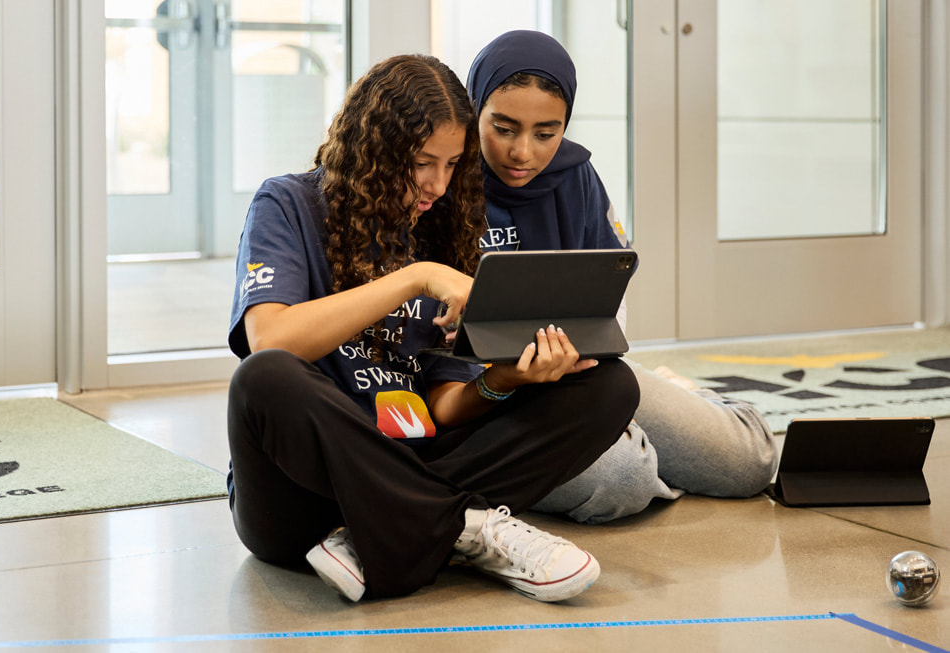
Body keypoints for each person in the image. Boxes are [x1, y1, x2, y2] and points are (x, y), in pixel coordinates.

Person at [226, 53, 641, 603]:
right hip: (304, 503)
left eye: (451, 165)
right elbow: (270, 339)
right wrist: (414, 279)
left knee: (609, 385)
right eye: (421, 163)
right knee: (266, 378)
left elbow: (440, 404)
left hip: (413, 457)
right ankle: (463, 527)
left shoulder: (441, 226)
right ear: (371, 147)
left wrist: (505, 380)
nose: (437, 186)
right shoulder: (287, 203)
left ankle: (399, 529)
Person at [467, 30, 779, 524]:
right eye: (503, 128)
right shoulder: (437, 176)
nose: (522, 152)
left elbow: (609, 295)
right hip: (484, 397)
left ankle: (678, 398)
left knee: (751, 463)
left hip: (584, 377)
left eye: (546, 133)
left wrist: (589, 373)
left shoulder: (577, 176)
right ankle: (633, 442)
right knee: (620, 483)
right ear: (474, 108)